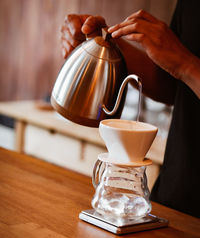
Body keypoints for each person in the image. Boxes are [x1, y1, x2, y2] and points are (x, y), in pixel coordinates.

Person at [60, 0, 200, 218]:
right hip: (176, 196)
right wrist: (105, 42)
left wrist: (186, 64)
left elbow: (183, 67)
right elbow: (174, 86)